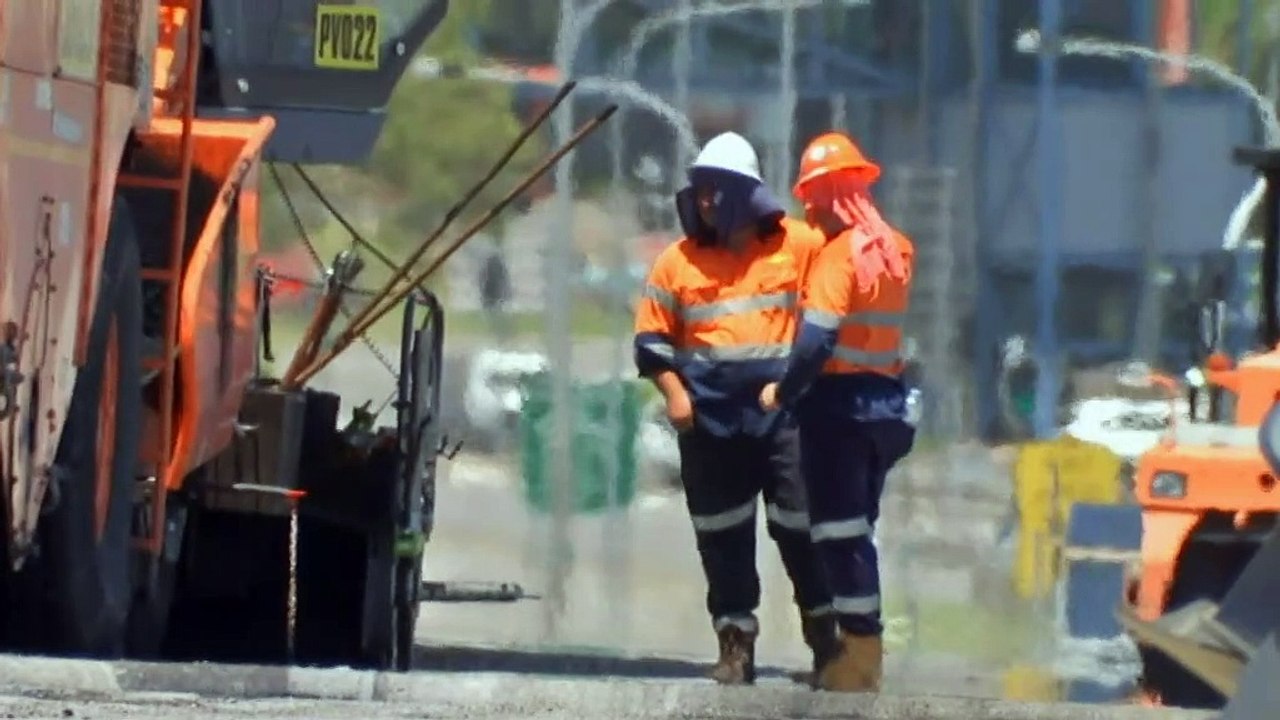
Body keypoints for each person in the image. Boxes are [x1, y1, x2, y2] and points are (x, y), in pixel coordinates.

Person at [632, 132, 835, 686]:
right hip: (709, 423)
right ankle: (735, 645)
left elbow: (834, 305)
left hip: (784, 420)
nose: (704, 201)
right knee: (722, 536)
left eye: (715, 190)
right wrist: (675, 395)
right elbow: (650, 342)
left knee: (800, 527)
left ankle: (827, 643)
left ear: (746, 194)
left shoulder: (800, 245)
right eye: (698, 190)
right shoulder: (676, 262)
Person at [759, 132, 916, 693]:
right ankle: (858, 651)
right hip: (887, 405)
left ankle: (860, 656)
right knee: (857, 531)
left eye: (811, 197)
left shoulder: (838, 256)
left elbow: (817, 341)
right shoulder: (896, 250)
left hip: (840, 410)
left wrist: (784, 391)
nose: (808, 209)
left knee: (838, 533)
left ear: (824, 196)